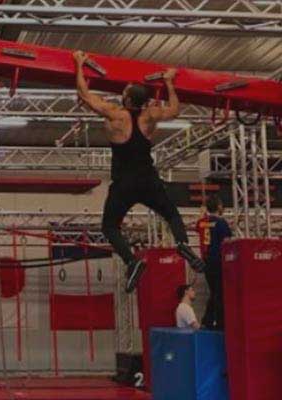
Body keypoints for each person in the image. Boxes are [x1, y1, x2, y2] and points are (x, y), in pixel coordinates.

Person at [73, 50, 206, 293]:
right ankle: (183, 244)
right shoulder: (149, 116)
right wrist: (169, 82)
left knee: (110, 227)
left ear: (126, 99)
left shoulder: (115, 114)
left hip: (123, 184)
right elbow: (174, 110)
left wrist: (79, 64)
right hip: (148, 180)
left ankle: (132, 261)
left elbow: (85, 94)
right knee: (171, 214)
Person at [196, 195, 232, 330]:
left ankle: (208, 320)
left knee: (214, 291)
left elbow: (198, 226)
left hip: (206, 261)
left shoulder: (201, 222)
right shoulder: (221, 223)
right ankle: (219, 322)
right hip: (218, 261)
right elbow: (227, 241)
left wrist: (202, 214)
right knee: (219, 292)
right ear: (218, 206)